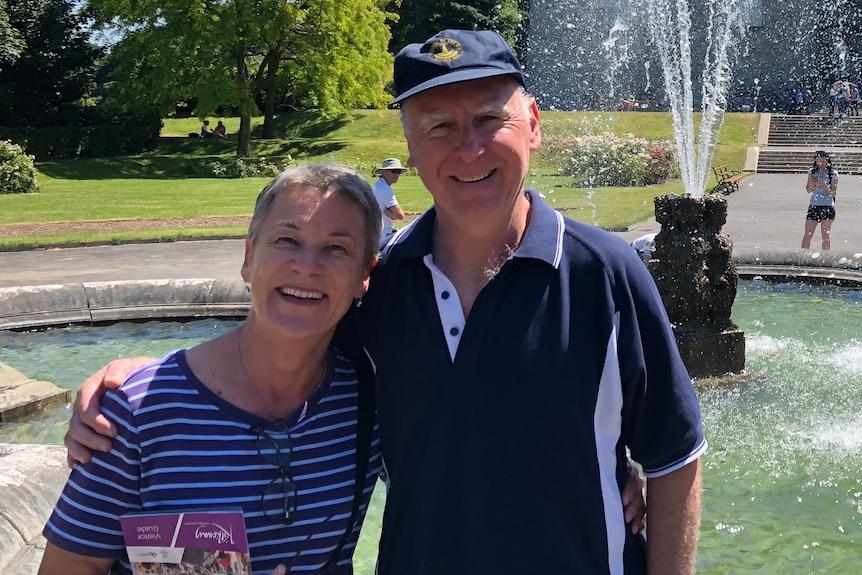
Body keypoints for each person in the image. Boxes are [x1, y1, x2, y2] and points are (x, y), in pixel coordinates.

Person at [69, 29, 690, 575]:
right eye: (439, 126)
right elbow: (281, 349)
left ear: (532, 123)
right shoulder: (380, 284)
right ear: (411, 147)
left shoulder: (608, 272)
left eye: (487, 119)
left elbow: (675, 456)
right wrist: (141, 383)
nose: (467, 147)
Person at [39, 163, 385, 575]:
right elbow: (72, 566)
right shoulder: (136, 410)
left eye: (337, 248)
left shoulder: (375, 400)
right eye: (287, 239)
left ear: (365, 275)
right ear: (249, 256)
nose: (307, 265)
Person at [801, 150, 837, 250]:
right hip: (814, 205)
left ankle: (825, 257)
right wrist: (812, 184)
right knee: (808, 234)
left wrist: (824, 186)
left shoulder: (833, 174)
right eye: (817, 161)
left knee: (825, 235)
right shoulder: (812, 172)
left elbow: (834, 193)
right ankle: (802, 256)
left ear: (826, 161)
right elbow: (808, 190)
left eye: (821, 161)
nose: (820, 163)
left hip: (827, 206)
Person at [371, 158, 407, 242]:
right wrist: (392, 215)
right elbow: (400, 216)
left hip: (376, 233)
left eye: (398, 172)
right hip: (384, 235)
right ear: (383, 172)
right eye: (393, 171)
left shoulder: (378, 186)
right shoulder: (385, 189)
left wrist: (391, 213)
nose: (396, 175)